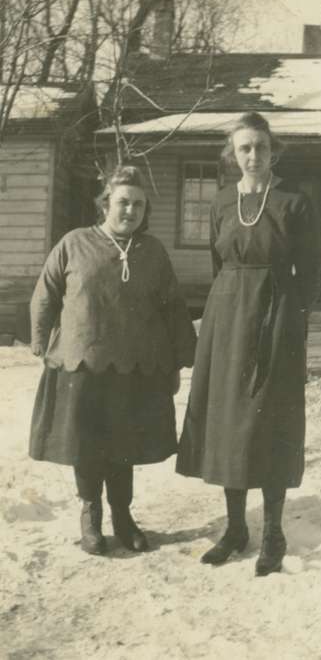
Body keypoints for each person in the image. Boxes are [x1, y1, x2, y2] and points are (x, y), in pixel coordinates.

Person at [176, 112, 321, 576]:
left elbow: (311, 274)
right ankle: (236, 528)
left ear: (272, 149)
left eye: (260, 146)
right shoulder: (221, 203)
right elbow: (216, 265)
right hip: (226, 321)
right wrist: (220, 319)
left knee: (270, 417)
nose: (253, 155)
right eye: (245, 148)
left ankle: (273, 532)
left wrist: (294, 324)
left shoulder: (294, 203)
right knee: (229, 421)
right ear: (232, 154)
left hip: (277, 316)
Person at [29, 165, 196, 556]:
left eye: (138, 204)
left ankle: (123, 517)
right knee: (86, 445)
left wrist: (183, 355)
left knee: (124, 445)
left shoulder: (152, 251)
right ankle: (91, 516)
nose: (130, 211)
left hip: (134, 367)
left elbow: (172, 306)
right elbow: (46, 293)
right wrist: (39, 340)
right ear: (106, 203)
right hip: (81, 363)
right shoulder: (74, 243)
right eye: (123, 202)